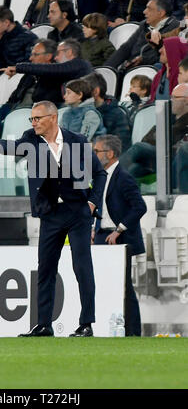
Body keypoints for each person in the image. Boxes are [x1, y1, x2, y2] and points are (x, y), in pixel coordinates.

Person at [0, 100, 107, 337]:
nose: (33, 122)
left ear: (53, 118)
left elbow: (99, 174)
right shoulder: (31, 140)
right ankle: (44, 324)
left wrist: (92, 203)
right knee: (45, 269)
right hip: (50, 213)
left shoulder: (76, 140)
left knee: (82, 267)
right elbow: (9, 146)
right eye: (32, 119)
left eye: (38, 118)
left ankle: (86, 323)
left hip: (78, 212)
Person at [92, 134, 147, 336]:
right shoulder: (99, 177)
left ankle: (133, 331)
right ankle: (102, 326)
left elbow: (140, 207)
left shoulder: (124, 178)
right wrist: (93, 228)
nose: (93, 155)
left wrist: (119, 229)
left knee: (124, 287)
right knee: (100, 283)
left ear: (111, 153)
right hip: (101, 236)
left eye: (97, 151)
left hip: (119, 238)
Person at [104, 0, 180, 69]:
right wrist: (107, 68)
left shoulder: (174, 28)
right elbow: (126, 48)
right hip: (131, 66)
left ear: (161, 13)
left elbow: (166, 56)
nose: (144, 12)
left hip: (150, 70)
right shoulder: (144, 24)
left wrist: (143, 59)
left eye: (149, 9)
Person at [2, 39, 92, 97]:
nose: (55, 57)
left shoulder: (81, 65)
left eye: (58, 53)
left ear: (69, 52)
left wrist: (18, 68)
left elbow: (57, 69)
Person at [0, 38, 59, 119]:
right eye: (31, 54)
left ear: (48, 56)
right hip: (13, 116)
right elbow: (12, 101)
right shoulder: (29, 76)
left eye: (35, 55)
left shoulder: (56, 79)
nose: (30, 58)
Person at [85, 71, 132, 152]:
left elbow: (121, 148)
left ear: (96, 92)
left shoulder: (116, 115)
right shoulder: (79, 113)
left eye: (83, 92)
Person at [0, 6, 37, 72]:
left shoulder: (29, 37)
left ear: (6, 22)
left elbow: (30, 64)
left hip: (20, 75)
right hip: (2, 76)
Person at [148, 36, 188, 103]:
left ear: (173, 51)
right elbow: (152, 103)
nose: (159, 50)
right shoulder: (158, 76)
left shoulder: (183, 77)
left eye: (164, 47)